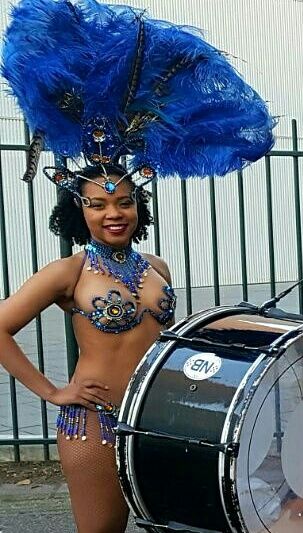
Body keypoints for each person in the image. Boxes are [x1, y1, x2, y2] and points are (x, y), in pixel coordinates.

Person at [0, 1, 273, 529]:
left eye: (124, 202)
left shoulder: (158, 267)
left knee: (169, 525)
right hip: (95, 423)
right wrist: (53, 392)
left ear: (138, 206)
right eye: (98, 204)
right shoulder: (68, 273)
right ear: (79, 211)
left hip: (160, 417)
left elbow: (169, 340)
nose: (113, 213)